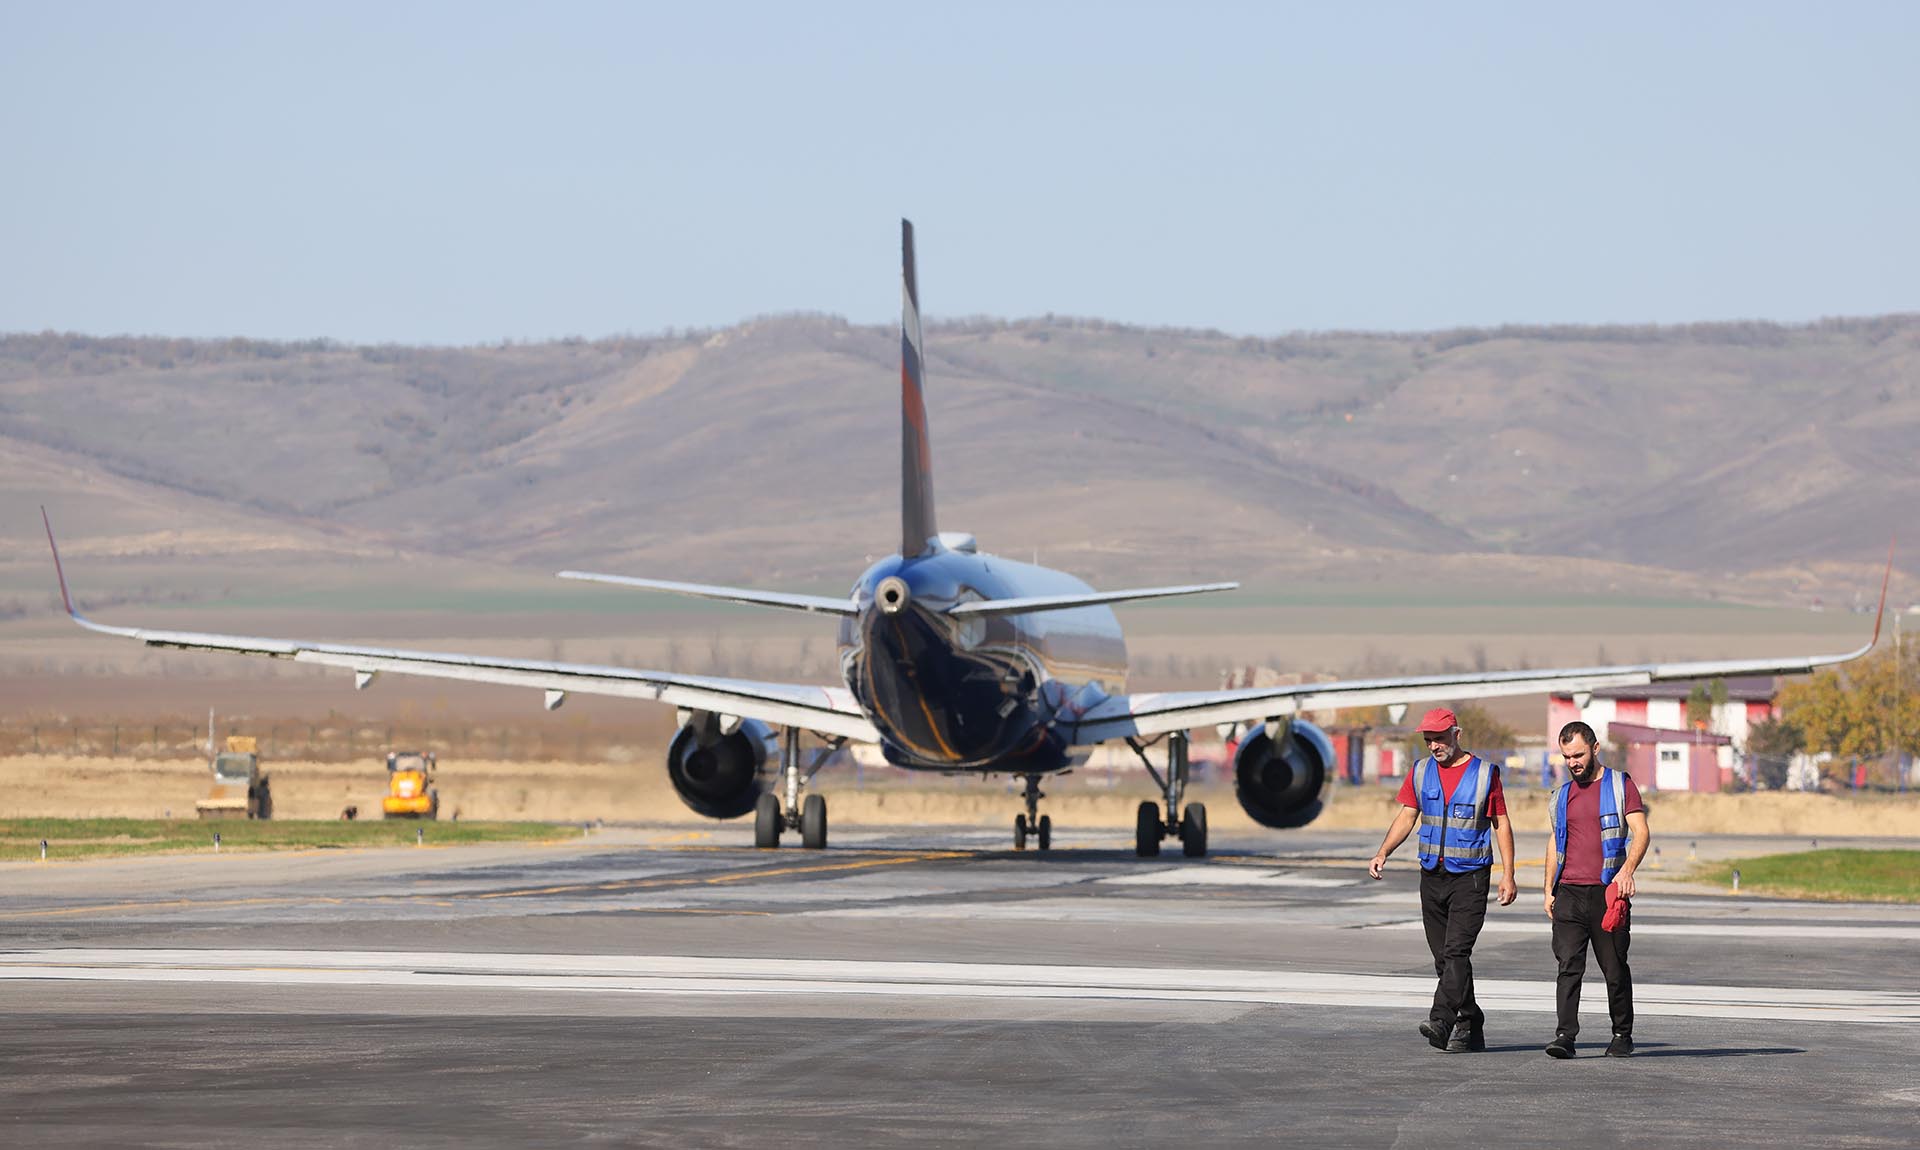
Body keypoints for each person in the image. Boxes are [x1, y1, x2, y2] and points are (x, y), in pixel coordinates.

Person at [1368, 707, 1518, 1052]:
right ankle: (1471, 1021)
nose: (1434, 745)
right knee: (1443, 959)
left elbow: (1502, 824)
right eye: (1428, 740)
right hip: (1432, 876)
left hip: (1471, 878)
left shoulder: (1484, 774)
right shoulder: (1421, 772)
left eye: (1439, 738)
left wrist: (1508, 875)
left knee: (1456, 952)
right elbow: (1408, 816)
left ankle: (1441, 1020)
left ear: (1457, 734)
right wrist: (1383, 852)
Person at [1543, 720, 1650, 1059]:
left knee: (1614, 968)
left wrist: (1627, 872)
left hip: (1607, 893)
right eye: (1566, 756)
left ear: (1594, 748)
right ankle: (1565, 1036)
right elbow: (1554, 841)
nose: (1573, 762)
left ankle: (1622, 1034)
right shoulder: (1561, 795)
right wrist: (1548, 889)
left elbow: (1641, 831)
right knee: (1568, 966)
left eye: (1578, 754)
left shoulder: (1620, 785)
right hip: (1569, 893)